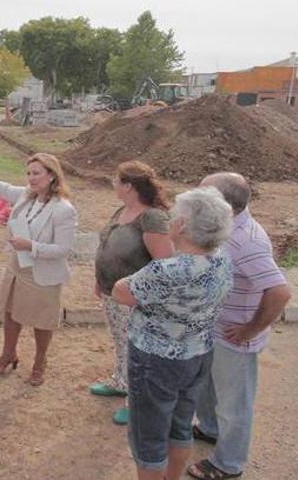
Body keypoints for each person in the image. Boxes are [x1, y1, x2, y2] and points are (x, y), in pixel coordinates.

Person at [112, 187, 234, 480]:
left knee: (149, 438)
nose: (170, 220)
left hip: (156, 362)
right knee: (180, 425)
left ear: (182, 226)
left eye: (175, 216)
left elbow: (121, 292)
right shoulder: (222, 260)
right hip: (197, 354)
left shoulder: (168, 270)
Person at [187, 173, 292, 480]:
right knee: (207, 388)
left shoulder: (246, 241)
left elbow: (280, 292)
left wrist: (250, 330)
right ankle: (209, 428)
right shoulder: (224, 227)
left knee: (234, 405)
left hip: (234, 338)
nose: (196, 196)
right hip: (214, 330)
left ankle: (228, 464)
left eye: (202, 192)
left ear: (222, 203)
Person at [0, 153, 77, 386]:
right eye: (29, 173)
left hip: (42, 272)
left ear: (52, 176)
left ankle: (40, 362)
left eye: (36, 173)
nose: (31, 178)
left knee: (41, 320)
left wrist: (31, 246)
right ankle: (8, 353)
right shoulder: (27, 196)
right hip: (18, 266)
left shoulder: (63, 209)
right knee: (11, 311)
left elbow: (64, 249)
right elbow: (5, 188)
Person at [91, 161, 174, 426]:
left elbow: (165, 264)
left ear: (129, 186)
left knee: (136, 350)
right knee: (121, 342)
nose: (113, 185)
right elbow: (108, 244)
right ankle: (120, 381)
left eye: (117, 181)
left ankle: (136, 402)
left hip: (136, 299)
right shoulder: (123, 210)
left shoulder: (152, 217)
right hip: (112, 293)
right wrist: (99, 279)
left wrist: (141, 293)